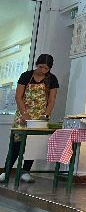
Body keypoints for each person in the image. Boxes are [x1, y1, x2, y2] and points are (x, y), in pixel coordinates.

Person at [1, 54, 59, 184]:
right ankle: (6, 172)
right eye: (40, 67)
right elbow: (18, 96)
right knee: (16, 144)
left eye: (46, 68)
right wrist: (24, 113)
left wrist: (46, 115)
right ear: (36, 64)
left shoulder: (52, 79)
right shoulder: (26, 76)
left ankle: (25, 172)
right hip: (23, 115)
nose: (43, 70)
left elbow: (51, 100)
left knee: (33, 144)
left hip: (39, 117)